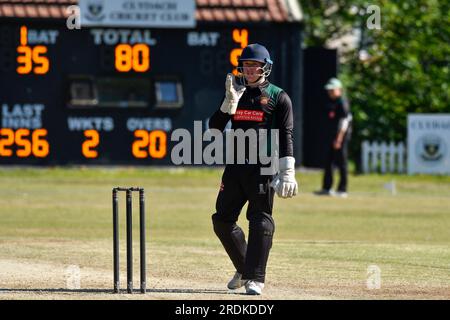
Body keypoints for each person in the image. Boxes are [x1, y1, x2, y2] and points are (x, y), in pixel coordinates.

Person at [208, 43, 298, 295]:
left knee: (260, 219)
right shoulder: (235, 90)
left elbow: (286, 135)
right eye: (246, 65)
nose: (249, 70)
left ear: (265, 68)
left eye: (254, 65)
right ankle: (245, 267)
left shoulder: (279, 96)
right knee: (222, 220)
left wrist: (287, 170)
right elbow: (214, 128)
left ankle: (255, 278)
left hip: (264, 167)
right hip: (235, 166)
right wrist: (228, 103)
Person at [315, 78, 352, 198]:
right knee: (328, 162)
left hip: (340, 138)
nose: (330, 92)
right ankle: (327, 188)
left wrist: (339, 139)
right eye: (329, 90)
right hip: (331, 137)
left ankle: (342, 189)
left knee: (341, 163)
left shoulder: (342, 102)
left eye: (332, 90)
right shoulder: (331, 102)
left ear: (339, 90)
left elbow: (344, 122)